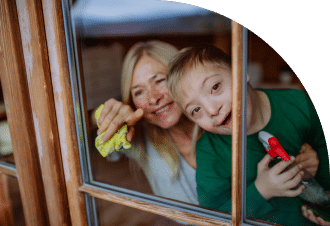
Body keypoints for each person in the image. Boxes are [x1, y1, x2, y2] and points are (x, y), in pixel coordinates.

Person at [95, 40, 321, 225]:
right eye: (139, 92)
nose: (153, 98)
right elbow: (102, 145)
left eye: (160, 81)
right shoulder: (140, 137)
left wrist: (307, 162)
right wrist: (103, 116)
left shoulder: (238, 120)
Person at [166, 44, 330, 226]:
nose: (212, 110)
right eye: (196, 109)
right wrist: (261, 190)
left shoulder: (298, 103)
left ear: (241, 73)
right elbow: (212, 218)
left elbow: (323, 145)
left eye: (215, 87)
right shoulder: (209, 152)